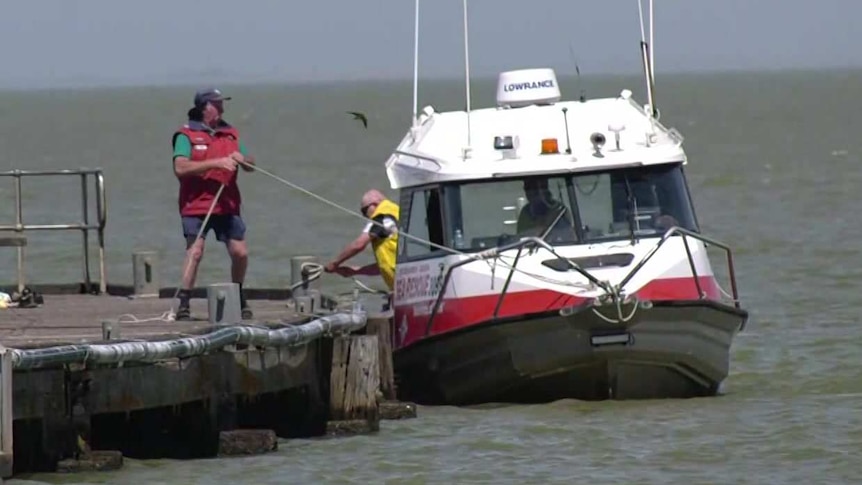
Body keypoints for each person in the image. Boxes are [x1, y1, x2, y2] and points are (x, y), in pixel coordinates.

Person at [171, 87, 256, 321]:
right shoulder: (185, 135)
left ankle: (238, 295)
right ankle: (184, 302)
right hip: (196, 205)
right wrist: (215, 163)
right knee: (195, 251)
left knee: (240, 252)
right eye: (217, 104)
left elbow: (251, 164)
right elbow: (180, 167)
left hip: (227, 204)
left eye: (222, 104)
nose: (222, 108)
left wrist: (243, 159)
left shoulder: (230, 133)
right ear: (204, 107)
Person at [324, 189, 399, 292]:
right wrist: (356, 271)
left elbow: (359, 245)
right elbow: (387, 265)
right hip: (406, 282)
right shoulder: (396, 213)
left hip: (404, 284)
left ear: (374, 204)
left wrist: (334, 263)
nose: (365, 216)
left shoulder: (381, 216)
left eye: (364, 211)